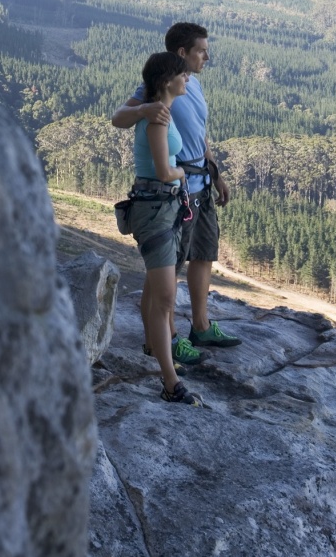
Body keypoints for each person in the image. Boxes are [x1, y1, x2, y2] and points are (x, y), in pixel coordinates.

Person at [112, 22, 241, 359]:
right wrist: (142, 109)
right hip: (177, 192)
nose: (207, 57)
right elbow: (118, 118)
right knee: (166, 266)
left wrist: (217, 173)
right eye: (201, 50)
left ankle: (200, 327)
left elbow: (200, 134)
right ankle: (166, 339)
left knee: (203, 254)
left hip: (202, 183)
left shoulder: (190, 84)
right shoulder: (155, 87)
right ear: (182, 53)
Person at [128, 51, 201, 405]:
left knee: (156, 288)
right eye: (182, 75)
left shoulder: (162, 113)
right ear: (166, 81)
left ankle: (155, 347)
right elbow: (162, 170)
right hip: (156, 206)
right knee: (166, 298)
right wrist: (183, 172)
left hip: (163, 207)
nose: (187, 79)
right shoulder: (157, 119)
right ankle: (170, 382)